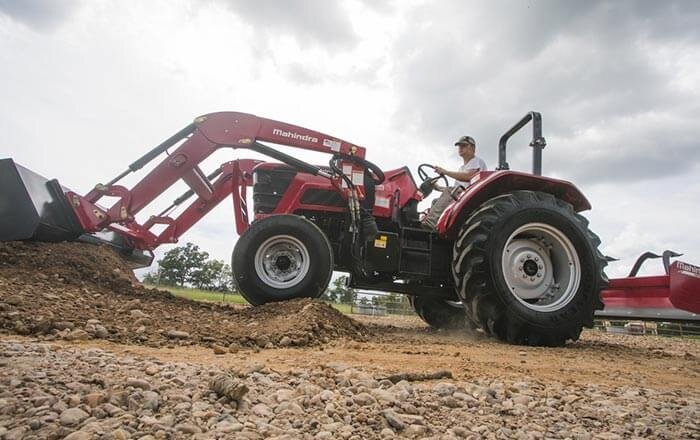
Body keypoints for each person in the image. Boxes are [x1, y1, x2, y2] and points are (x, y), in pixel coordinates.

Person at [421, 135, 487, 230]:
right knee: (435, 201)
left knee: (448, 192)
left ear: (472, 148)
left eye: (464, 145)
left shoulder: (477, 161)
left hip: (472, 196)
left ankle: (429, 224)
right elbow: (456, 189)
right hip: (462, 193)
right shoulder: (461, 168)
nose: (460, 148)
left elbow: (468, 177)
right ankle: (436, 228)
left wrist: (446, 172)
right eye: (459, 146)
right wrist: (437, 187)